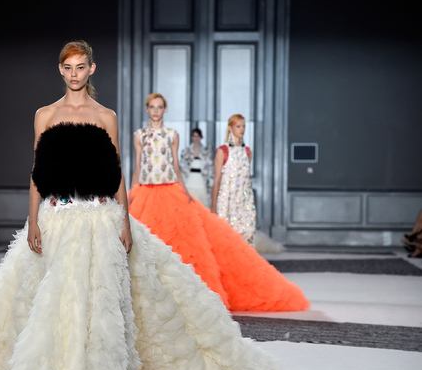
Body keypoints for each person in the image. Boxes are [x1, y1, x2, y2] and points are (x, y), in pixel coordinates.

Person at [0, 40, 282, 370]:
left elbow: (116, 173)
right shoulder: (45, 115)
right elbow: (37, 171)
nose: (74, 74)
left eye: (80, 67)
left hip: (100, 217)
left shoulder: (106, 116)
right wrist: (32, 220)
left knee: (102, 302)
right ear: (60, 70)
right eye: (68, 67)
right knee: (51, 302)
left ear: (91, 69)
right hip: (56, 216)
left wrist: (125, 221)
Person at [128, 93, 309, 312]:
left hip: (170, 189)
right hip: (145, 190)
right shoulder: (139, 135)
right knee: (146, 243)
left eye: (159, 107)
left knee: (181, 243)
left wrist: (184, 190)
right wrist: (132, 190)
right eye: (152, 107)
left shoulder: (172, 135)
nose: (156, 111)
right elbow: (138, 165)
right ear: (147, 109)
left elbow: (175, 165)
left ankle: (187, 295)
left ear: (164, 109)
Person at [211, 114, 256, 245]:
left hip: (245, 201)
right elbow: (217, 179)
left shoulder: (247, 151)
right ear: (230, 128)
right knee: (226, 239)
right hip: (227, 201)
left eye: (243, 127)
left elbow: (246, 179)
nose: (242, 129)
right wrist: (213, 206)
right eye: (238, 126)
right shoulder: (222, 151)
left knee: (247, 237)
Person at [179, 128, 214, 207]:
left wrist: (211, 183)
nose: (196, 138)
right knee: (188, 205)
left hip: (202, 181)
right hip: (189, 180)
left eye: (198, 136)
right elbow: (181, 167)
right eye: (194, 136)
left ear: (201, 137)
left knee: (202, 205)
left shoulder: (207, 152)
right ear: (192, 137)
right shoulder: (185, 151)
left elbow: (211, 168)